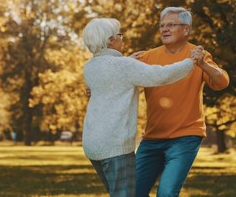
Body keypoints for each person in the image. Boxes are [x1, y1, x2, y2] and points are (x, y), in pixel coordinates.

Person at [81, 18, 199, 197]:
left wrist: (128, 61)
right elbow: (161, 76)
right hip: (115, 146)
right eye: (120, 35)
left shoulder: (90, 67)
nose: (123, 39)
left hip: (93, 144)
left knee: (120, 192)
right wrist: (191, 62)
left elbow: (112, 76)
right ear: (110, 40)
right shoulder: (124, 66)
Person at [134, 7, 230, 196]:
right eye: (162, 26)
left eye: (171, 25)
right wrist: (96, 89)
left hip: (185, 136)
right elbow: (123, 82)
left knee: (167, 192)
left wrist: (203, 64)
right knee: (131, 192)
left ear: (186, 29)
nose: (164, 29)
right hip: (152, 138)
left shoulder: (198, 55)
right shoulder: (147, 57)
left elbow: (222, 82)